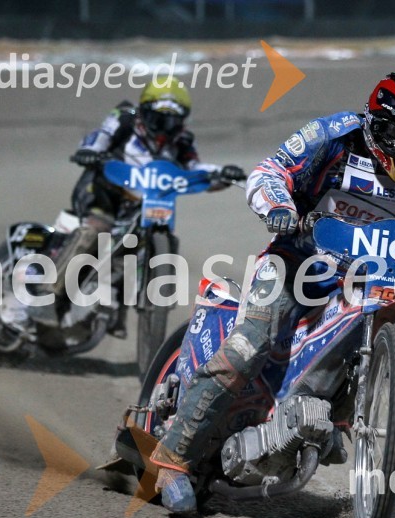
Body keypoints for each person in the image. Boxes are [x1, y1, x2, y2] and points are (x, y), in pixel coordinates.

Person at [149, 72, 395, 514]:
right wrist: (279, 207)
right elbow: (270, 171)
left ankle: (335, 413)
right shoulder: (331, 135)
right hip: (295, 262)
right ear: (374, 121)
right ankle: (173, 458)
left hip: (371, 278)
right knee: (249, 347)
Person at [29, 78, 246, 334]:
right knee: (97, 230)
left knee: (134, 247)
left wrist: (221, 173)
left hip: (144, 205)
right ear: (144, 112)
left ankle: (114, 308)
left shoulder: (183, 141)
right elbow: (99, 137)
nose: (165, 128)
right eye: (159, 120)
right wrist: (89, 151)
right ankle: (49, 295)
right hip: (103, 192)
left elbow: (194, 169)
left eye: (172, 121)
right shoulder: (123, 119)